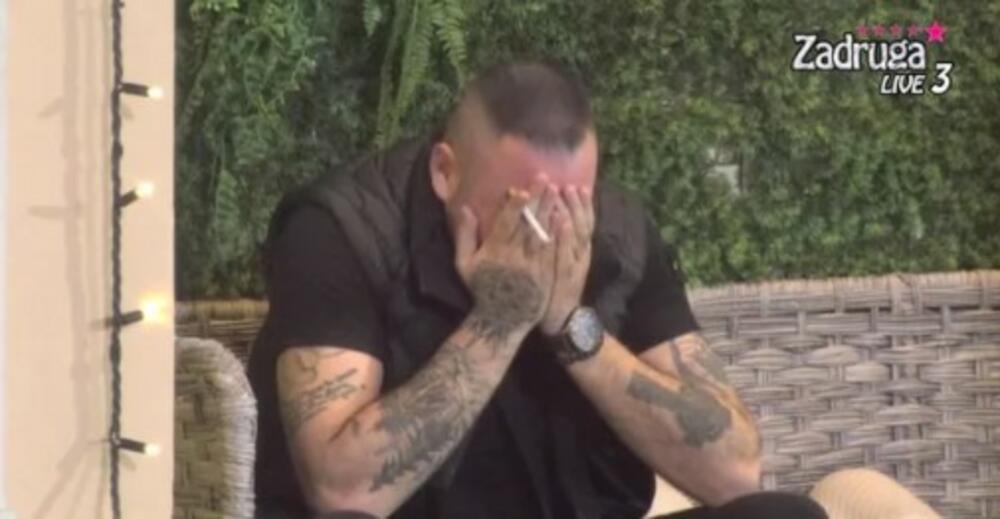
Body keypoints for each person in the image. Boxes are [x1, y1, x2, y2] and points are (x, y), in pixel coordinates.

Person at [247, 61, 827, 519]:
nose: (547, 232)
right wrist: (499, 321)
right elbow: (341, 491)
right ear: (445, 172)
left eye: (571, 205)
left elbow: (735, 473)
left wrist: (572, 325)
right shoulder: (345, 230)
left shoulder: (618, 230)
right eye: (521, 208)